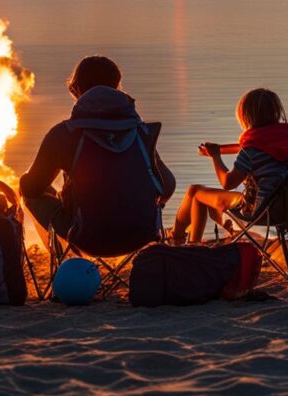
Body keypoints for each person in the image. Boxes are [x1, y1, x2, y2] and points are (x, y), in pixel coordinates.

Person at [20, 56, 175, 255]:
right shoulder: (140, 132)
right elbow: (167, 185)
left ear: (75, 89)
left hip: (87, 238)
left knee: (27, 186)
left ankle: (61, 262)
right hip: (142, 235)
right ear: (117, 87)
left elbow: (33, 187)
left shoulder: (64, 134)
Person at [170, 88, 288, 244]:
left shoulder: (251, 151)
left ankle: (183, 241)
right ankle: (185, 236)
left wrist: (216, 156)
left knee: (196, 192)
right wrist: (219, 149)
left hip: (258, 211)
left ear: (245, 117)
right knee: (213, 200)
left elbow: (228, 183)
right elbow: (251, 147)